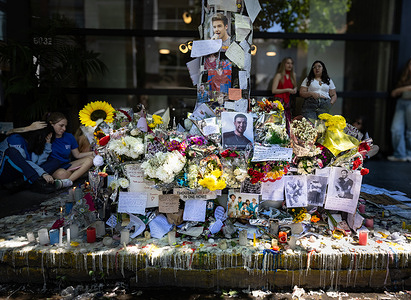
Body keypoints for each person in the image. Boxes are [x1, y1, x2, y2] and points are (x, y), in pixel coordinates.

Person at [0, 125, 61, 193]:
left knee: (55, 162)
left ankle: (21, 184)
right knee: (11, 151)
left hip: (21, 175)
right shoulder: (16, 138)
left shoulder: (33, 144)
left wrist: (47, 143)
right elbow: (23, 162)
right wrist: (43, 174)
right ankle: (35, 182)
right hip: (5, 173)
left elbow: (38, 163)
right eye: (45, 137)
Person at [42, 112, 94, 183]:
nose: (64, 129)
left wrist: (93, 153)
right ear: (51, 124)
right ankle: (77, 174)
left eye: (65, 126)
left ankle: (67, 182)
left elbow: (77, 155)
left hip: (67, 165)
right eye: (61, 125)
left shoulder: (69, 137)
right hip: (55, 168)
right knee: (62, 175)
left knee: (91, 159)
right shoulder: (46, 138)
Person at [388, 58, 411, 162]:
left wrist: (402, 89)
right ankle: (400, 154)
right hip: (401, 103)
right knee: (396, 129)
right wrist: (406, 88)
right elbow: (393, 93)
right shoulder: (404, 78)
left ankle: (409, 154)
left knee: (410, 131)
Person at [271, 57, 297, 132]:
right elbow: (274, 90)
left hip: (288, 102)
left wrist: (295, 89)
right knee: (278, 122)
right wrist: (287, 90)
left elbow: (295, 86)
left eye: (291, 63)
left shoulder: (293, 75)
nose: (290, 65)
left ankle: (286, 139)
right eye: (288, 63)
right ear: (283, 64)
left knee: (288, 121)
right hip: (279, 101)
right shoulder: (279, 75)